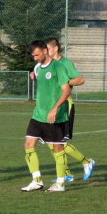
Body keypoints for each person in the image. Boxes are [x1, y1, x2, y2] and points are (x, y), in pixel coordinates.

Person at [21, 40, 71, 192]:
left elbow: (67, 90)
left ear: (45, 50)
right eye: (33, 56)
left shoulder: (58, 67)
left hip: (55, 116)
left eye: (36, 55)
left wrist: (55, 108)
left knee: (57, 148)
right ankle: (36, 181)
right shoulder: (37, 68)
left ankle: (61, 183)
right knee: (28, 144)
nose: (35, 58)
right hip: (38, 115)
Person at [45, 37, 95, 182]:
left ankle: (86, 161)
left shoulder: (65, 63)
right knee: (49, 141)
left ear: (55, 49)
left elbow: (80, 80)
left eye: (47, 49)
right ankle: (66, 173)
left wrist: (64, 81)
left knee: (58, 141)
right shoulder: (49, 64)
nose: (45, 52)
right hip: (51, 106)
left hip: (65, 106)